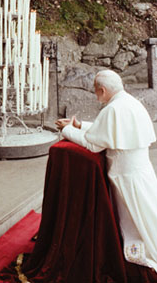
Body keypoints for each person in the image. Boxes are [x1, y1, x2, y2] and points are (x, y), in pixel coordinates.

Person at [55, 69, 157, 272]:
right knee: (150, 213)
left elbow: (93, 145)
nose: (95, 95)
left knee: (137, 220)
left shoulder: (112, 109)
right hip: (141, 171)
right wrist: (79, 124)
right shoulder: (129, 101)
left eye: (96, 91)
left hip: (126, 176)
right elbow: (107, 130)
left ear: (101, 90)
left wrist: (66, 130)